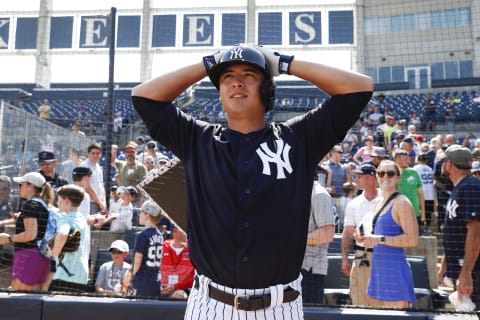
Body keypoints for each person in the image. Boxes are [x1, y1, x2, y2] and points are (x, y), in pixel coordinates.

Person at [131, 44, 373, 318]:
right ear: (220, 92)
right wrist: (209, 63)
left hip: (279, 306)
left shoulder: (299, 138)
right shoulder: (196, 140)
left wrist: (284, 63)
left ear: (267, 90)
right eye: (226, 77)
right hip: (209, 305)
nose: (237, 82)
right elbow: (144, 97)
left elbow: (359, 88)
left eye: (249, 74)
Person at [361, 160, 419, 308]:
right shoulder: (380, 202)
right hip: (378, 271)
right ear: (377, 176)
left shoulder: (402, 202)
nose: (385, 177)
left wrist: (379, 239)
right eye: (381, 173)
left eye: (390, 173)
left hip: (394, 272)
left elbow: (412, 240)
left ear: (398, 178)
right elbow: (379, 235)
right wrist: (365, 237)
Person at [439, 145, 480, 310]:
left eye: (444, 160)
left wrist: (466, 273)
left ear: (449, 164)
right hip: (465, 268)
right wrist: (445, 261)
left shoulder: (470, 187)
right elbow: (455, 230)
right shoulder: (460, 187)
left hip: (475, 272)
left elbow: (476, 232)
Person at [0, 172, 53, 290]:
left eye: (21, 185)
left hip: (28, 256)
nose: (19, 187)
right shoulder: (41, 204)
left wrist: (8, 238)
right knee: (28, 300)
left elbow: (30, 234)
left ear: (31, 186)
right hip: (39, 257)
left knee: (19, 300)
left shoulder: (31, 204)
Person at [341, 162, 382, 306]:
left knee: (384, 304)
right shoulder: (354, 203)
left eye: (359, 176)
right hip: (361, 256)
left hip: (384, 255)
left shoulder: (388, 199)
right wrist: (345, 258)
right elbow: (347, 234)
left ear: (371, 178)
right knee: (359, 302)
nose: (356, 179)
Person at [48, 184, 90, 293]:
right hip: (81, 276)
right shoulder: (81, 218)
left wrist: (54, 252)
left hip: (65, 275)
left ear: (67, 200)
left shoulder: (66, 218)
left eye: (60, 200)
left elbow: (63, 233)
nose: (57, 203)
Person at [301, 181, 335, 304]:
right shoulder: (297, 192)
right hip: (293, 269)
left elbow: (327, 234)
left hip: (311, 271)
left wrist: (294, 240)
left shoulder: (319, 194)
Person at [123, 200, 163, 298]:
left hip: (141, 283)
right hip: (156, 282)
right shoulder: (160, 235)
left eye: (142, 212)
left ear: (148, 215)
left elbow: (136, 264)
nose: (139, 214)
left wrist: (125, 280)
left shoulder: (142, 235)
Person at [393, 149, 426, 227]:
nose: (408, 161)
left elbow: (421, 194)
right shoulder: (391, 175)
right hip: (398, 214)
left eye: (407, 158)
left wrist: (423, 213)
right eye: (404, 159)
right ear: (396, 160)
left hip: (415, 213)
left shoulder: (414, 172)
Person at [160, 227, 194, 299]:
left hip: (182, 289)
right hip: (161, 287)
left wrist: (176, 286)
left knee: (179, 295)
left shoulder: (193, 251)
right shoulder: (162, 246)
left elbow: (195, 278)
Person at [80, 143, 106, 215]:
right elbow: (87, 187)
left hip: (100, 203)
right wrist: (100, 203)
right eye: (93, 153)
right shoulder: (84, 166)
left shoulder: (98, 167)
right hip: (89, 202)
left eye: (98, 153)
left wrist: (104, 202)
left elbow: (102, 185)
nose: (95, 155)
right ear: (88, 154)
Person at [413, 153, 436, 233]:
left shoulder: (415, 168)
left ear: (418, 160)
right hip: (430, 194)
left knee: (420, 210)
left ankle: (421, 227)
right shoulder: (430, 169)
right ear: (426, 160)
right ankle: (428, 227)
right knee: (428, 212)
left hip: (420, 193)